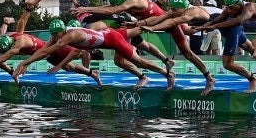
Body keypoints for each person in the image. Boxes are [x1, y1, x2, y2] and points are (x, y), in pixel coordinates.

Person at [12, 18, 175, 90]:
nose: (53, 39)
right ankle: (145, 76)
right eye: (52, 36)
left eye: (55, 36)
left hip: (113, 40)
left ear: (62, 32)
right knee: (121, 61)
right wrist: (26, 62)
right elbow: (43, 50)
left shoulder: (72, 35)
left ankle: (167, 72)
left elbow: (49, 50)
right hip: (110, 34)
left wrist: (26, 63)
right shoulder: (59, 35)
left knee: (139, 60)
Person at [136, 0, 219, 95]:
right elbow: (160, 18)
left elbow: (173, 21)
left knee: (228, 63)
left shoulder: (192, 11)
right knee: (187, 53)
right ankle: (209, 78)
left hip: (223, 21)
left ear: (182, 8)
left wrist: (153, 28)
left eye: (174, 9)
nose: (172, 11)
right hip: (202, 27)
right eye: (171, 8)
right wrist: (140, 23)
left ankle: (210, 79)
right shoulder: (177, 10)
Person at [189, 0, 256, 92]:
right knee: (250, 49)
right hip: (245, 27)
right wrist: (202, 27)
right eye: (227, 7)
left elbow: (239, 21)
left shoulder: (249, 7)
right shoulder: (229, 11)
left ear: (239, 5)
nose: (229, 10)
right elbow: (214, 21)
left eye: (231, 7)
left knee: (229, 63)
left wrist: (213, 26)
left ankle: (254, 77)